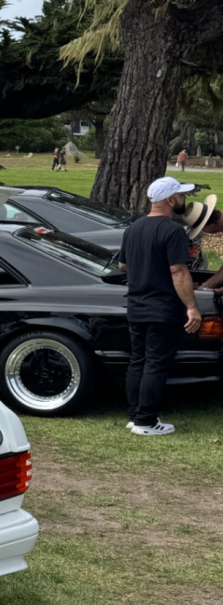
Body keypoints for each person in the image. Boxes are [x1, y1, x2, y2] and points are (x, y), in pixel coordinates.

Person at [117, 177, 204, 436]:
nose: (184, 199)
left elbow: (123, 265)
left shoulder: (133, 228)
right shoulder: (173, 230)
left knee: (138, 361)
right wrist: (191, 307)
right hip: (162, 307)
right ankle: (146, 421)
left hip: (136, 305)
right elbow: (178, 271)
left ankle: (135, 415)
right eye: (181, 195)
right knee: (155, 363)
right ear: (170, 199)